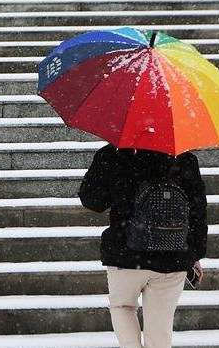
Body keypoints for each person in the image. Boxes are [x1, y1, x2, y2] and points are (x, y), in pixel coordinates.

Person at [78, 143, 208, 348]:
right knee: (160, 326)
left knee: (122, 307)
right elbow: (198, 211)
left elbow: (92, 201)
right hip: (172, 255)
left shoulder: (113, 154)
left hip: (125, 252)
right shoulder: (184, 159)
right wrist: (194, 254)